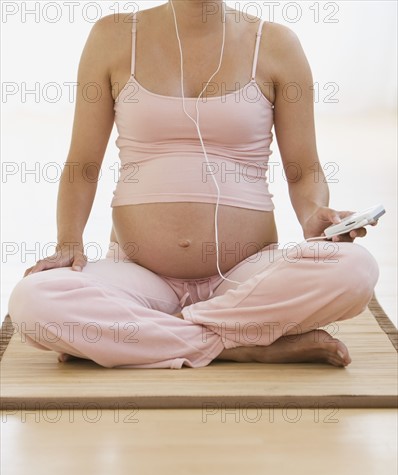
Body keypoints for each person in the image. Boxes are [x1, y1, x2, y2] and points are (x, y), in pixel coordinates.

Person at [8, 0, 379, 369]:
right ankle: (241, 343)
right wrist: (68, 242)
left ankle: (148, 339)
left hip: (245, 276)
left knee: (356, 269)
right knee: (33, 301)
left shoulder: (277, 44)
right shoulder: (113, 37)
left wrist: (314, 214)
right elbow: (83, 165)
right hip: (138, 276)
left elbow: (303, 171)